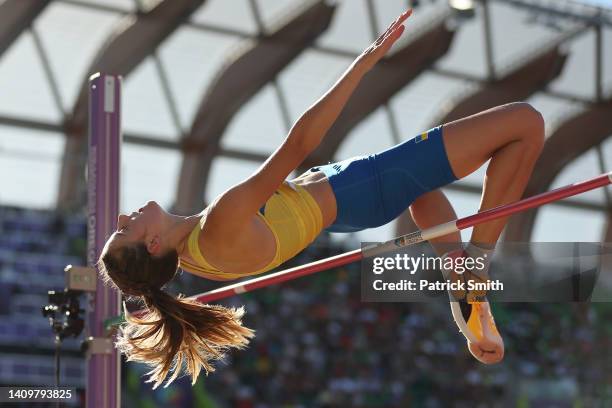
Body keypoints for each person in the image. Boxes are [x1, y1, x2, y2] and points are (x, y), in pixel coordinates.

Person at [98, 9, 544, 388]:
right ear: (152, 244)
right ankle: (475, 265)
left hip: (347, 203)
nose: (122, 215)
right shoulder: (218, 225)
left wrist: (137, 297)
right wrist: (364, 65)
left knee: (424, 194)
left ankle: (459, 282)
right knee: (525, 123)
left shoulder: (192, 256)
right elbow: (298, 146)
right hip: (365, 184)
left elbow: (153, 285)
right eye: (124, 230)